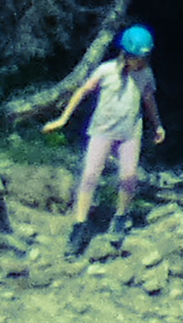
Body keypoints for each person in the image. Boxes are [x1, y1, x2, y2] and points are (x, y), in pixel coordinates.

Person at [42, 25, 165, 256]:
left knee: (129, 177)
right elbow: (82, 91)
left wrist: (157, 125)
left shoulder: (146, 75)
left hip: (130, 133)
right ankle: (79, 227)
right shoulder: (106, 71)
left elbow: (149, 101)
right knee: (89, 177)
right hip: (102, 131)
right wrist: (63, 118)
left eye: (145, 56)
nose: (142, 61)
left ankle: (120, 217)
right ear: (127, 54)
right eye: (139, 57)